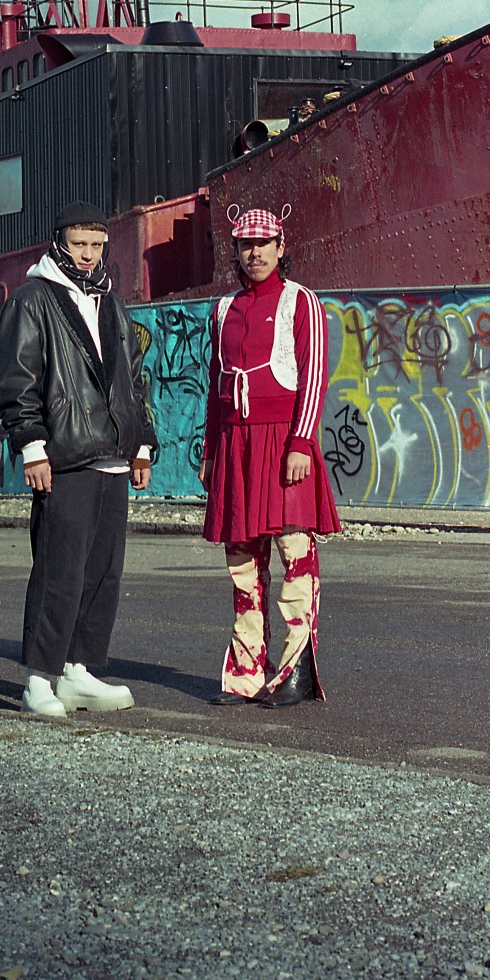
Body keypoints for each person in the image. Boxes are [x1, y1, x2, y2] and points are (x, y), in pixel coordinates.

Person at [0, 203, 156, 720]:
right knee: (58, 571)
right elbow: (15, 377)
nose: (88, 254)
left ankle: (80, 670)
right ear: (59, 240)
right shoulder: (32, 299)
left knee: (102, 572)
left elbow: (132, 375)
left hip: (112, 457)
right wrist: (32, 446)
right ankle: (39, 678)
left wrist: (142, 444)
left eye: (97, 245)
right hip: (63, 457)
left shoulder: (111, 302)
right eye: (79, 243)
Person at [201, 203, 340, 707]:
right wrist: (212, 451)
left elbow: (313, 376)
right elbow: (214, 388)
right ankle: (245, 673)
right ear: (235, 250)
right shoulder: (222, 310)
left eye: (263, 243)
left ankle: (296, 670)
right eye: (245, 244)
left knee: (294, 555)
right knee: (242, 564)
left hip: (284, 442)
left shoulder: (300, 302)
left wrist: (302, 442)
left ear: (281, 247)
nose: (254, 252)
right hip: (236, 445)